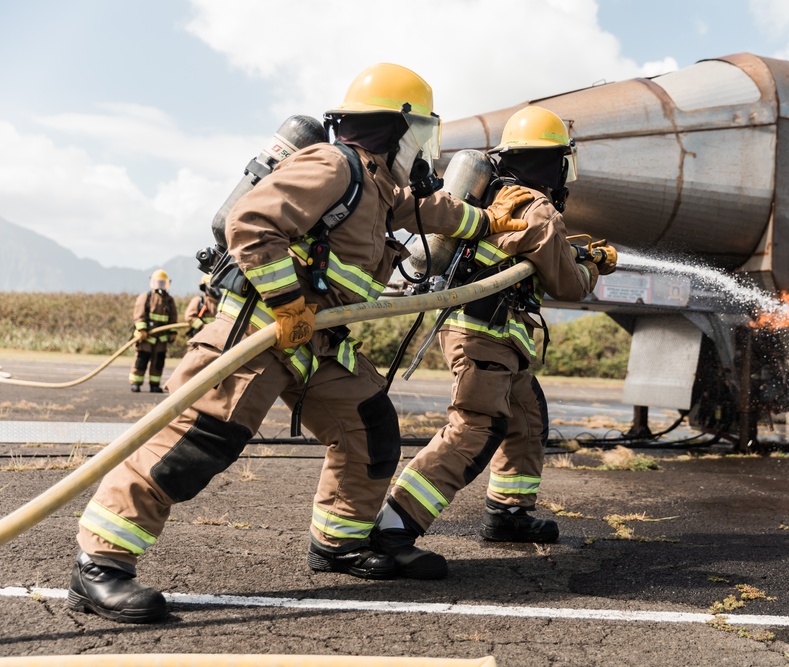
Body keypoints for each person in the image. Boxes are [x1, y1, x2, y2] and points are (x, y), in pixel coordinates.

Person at [67, 63, 532, 624]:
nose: (426, 149)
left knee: (370, 428)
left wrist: (489, 222)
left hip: (316, 345)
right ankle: (100, 566)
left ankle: (337, 544)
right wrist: (288, 305)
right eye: (424, 134)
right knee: (194, 445)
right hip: (261, 332)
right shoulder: (334, 165)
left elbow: (433, 212)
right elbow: (251, 222)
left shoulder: (382, 187)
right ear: (400, 126)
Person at [372, 106, 618, 579]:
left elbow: (531, 255)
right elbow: (568, 284)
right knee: (473, 430)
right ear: (550, 163)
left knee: (526, 419)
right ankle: (395, 527)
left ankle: (508, 514)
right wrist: (594, 265)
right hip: (486, 336)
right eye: (562, 163)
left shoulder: (499, 197)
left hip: (494, 335)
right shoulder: (537, 207)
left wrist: (573, 253)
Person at [128, 269, 178, 393]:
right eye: (158, 283)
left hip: (161, 339)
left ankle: (154, 385)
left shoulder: (170, 301)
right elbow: (139, 315)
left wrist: (172, 333)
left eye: (163, 283)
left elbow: (173, 319)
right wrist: (142, 330)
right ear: (152, 283)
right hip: (146, 338)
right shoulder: (146, 297)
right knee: (141, 360)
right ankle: (136, 383)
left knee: (158, 362)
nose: (161, 286)